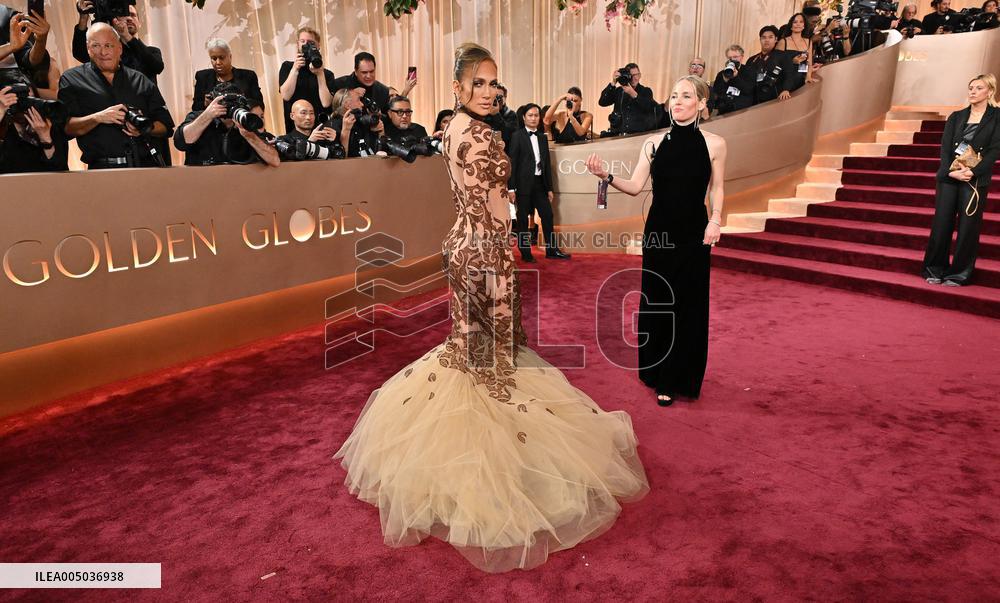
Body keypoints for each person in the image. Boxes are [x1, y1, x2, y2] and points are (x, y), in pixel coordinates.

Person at [334, 42, 649, 574]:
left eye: (492, 83)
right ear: (457, 87)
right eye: (477, 83)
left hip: (459, 243)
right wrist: (505, 260)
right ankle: (492, 474)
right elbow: (496, 211)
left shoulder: (451, 129)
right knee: (492, 362)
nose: (487, 91)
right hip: (484, 252)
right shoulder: (479, 133)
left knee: (471, 352)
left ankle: (463, 453)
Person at [586, 75, 727, 406]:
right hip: (659, 235)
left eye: (686, 95)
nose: (677, 101)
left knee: (690, 305)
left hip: (695, 232)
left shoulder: (715, 144)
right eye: (674, 95)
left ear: (702, 103)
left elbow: (718, 186)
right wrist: (605, 176)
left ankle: (684, 376)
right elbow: (636, 186)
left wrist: (716, 219)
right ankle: (661, 374)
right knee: (660, 303)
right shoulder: (652, 143)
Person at [59, 23, 173, 169]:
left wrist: (145, 129)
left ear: (119, 48)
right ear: (88, 48)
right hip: (101, 171)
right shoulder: (71, 79)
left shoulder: (140, 80)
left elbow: (166, 127)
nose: (103, 52)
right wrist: (98, 118)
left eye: (108, 45)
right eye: (96, 46)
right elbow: (66, 128)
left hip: (144, 167)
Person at [922, 74, 1000, 286]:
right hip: (949, 177)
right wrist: (950, 171)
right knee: (942, 224)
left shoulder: (997, 117)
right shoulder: (956, 117)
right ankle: (934, 269)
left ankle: (959, 273)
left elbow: (995, 151)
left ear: (990, 92)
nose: (973, 91)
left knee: (968, 228)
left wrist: (973, 172)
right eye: (971, 87)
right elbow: (946, 149)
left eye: (978, 88)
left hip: (974, 180)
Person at [508, 103, 571, 263]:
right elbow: (512, 163)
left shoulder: (543, 137)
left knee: (548, 216)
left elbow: (546, 165)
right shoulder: (517, 136)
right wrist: (511, 188)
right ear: (524, 117)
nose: (534, 118)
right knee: (522, 219)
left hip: (540, 184)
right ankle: (525, 252)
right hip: (522, 185)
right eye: (530, 115)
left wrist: (549, 188)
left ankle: (552, 250)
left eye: (536, 115)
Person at [173, 81, 279, 167]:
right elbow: (181, 142)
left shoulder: (246, 121)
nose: (229, 107)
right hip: (202, 183)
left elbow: (274, 160)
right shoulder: (198, 117)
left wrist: (250, 136)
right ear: (213, 102)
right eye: (225, 102)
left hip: (237, 185)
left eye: (235, 102)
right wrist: (208, 115)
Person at [72, 1, 163, 83]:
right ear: (114, 21)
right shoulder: (108, 54)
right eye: (124, 14)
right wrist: (83, 19)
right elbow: (80, 54)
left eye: (133, 15)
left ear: (139, 23)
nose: (129, 18)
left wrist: (126, 35)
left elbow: (157, 67)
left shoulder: (152, 51)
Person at [0, 81, 67, 173]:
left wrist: (45, 137)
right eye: (23, 100)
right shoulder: (5, 129)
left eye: (32, 99)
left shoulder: (52, 127)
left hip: (45, 185)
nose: (29, 105)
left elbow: (60, 170)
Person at [278, 27, 335, 134]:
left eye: (311, 43)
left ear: (318, 46)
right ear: (297, 44)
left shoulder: (327, 74)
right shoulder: (287, 67)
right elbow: (286, 95)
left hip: (320, 128)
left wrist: (320, 74)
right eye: (302, 41)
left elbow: (326, 103)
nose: (306, 45)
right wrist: (295, 69)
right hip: (295, 130)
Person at [192, 39, 262, 112]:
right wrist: (205, 104)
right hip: (213, 122)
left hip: (240, 121)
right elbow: (195, 108)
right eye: (214, 58)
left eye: (222, 57)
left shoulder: (248, 76)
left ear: (230, 57)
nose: (218, 62)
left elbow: (259, 104)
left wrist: (241, 103)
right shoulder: (202, 77)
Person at [735, 25, 795, 105]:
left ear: (776, 39)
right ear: (760, 40)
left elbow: (790, 74)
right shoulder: (752, 60)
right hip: (754, 101)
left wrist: (786, 89)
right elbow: (747, 80)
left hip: (775, 100)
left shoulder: (783, 56)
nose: (766, 40)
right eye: (763, 37)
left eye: (770, 37)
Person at [598, 62, 656, 135]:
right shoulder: (619, 91)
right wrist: (613, 82)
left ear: (640, 75)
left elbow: (649, 108)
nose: (634, 78)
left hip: (637, 136)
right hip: (618, 135)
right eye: (631, 75)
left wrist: (634, 94)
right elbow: (602, 102)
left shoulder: (646, 91)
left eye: (636, 75)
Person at [275, 98, 340, 159]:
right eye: (303, 113)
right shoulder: (284, 140)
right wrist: (310, 142)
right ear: (292, 116)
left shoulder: (322, 138)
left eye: (311, 113)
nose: (308, 117)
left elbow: (339, 157)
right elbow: (293, 163)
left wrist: (334, 142)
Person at [0, 4, 50, 82]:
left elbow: (31, 61)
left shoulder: (6, 15)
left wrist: (41, 40)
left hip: (18, 87)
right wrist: (10, 47)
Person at [328, 87, 382, 158]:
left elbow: (374, 152)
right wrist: (346, 131)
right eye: (358, 100)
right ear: (347, 105)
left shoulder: (360, 123)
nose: (362, 104)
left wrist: (379, 131)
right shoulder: (332, 127)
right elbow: (339, 159)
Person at [776, 13, 813, 90]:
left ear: (804, 25)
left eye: (801, 22)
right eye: (795, 22)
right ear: (791, 26)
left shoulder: (809, 42)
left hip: (802, 82)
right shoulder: (783, 42)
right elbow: (776, 64)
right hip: (785, 82)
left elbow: (809, 63)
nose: (798, 24)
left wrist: (808, 76)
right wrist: (792, 61)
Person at [710, 44, 745, 115]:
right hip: (724, 112)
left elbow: (748, 90)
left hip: (742, 111)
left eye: (735, 57)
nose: (732, 60)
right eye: (730, 58)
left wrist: (736, 77)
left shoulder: (749, 70)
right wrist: (725, 80)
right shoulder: (722, 74)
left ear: (742, 57)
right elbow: (716, 93)